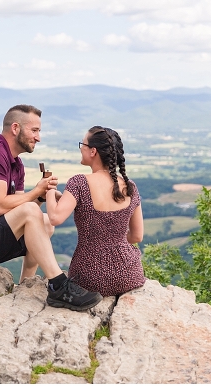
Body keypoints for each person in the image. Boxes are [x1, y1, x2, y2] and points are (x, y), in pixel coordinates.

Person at [0, 104, 103, 311]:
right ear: (15, 128)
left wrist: (43, 196)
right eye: (34, 130)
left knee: (45, 221)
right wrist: (35, 192)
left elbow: (20, 208)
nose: (38, 137)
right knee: (32, 213)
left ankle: (25, 285)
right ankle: (58, 285)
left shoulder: (16, 164)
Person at [45, 126, 146, 297]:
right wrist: (114, 240)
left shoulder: (79, 183)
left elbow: (54, 218)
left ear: (93, 151)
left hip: (89, 277)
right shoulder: (130, 187)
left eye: (82, 144)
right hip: (129, 274)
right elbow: (137, 237)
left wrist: (48, 189)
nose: (81, 149)